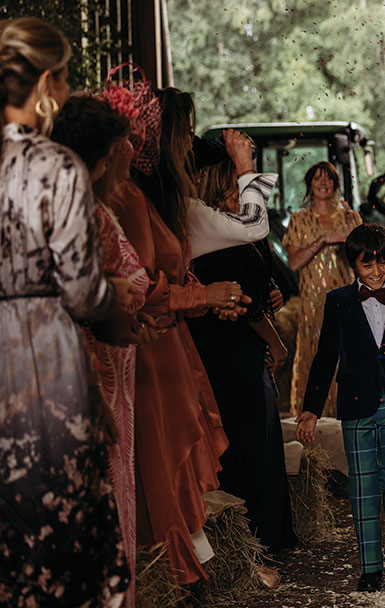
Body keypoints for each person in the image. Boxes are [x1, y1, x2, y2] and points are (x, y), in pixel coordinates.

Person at [0, 17, 131, 607]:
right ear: (49, 82)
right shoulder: (58, 168)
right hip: (42, 355)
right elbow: (81, 293)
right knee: (56, 511)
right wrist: (115, 295)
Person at [114, 87, 250, 585]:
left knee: (174, 464)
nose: (191, 141)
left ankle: (189, 574)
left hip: (171, 345)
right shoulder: (130, 197)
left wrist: (204, 292)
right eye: (187, 131)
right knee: (162, 463)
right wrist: (202, 296)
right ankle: (176, 576)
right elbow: (139, 287)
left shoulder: (164, 199)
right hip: (149, 350)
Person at [50, 94, 170, 605]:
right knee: (97, 504)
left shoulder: (96, 209)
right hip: (89, 375)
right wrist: (119, 303)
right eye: (123, 145)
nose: (131, 152)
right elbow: (76, 300)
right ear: (100, 157)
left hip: (114, 367)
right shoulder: (85, 217)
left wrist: (132, 318)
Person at [296, 223, 385, 593]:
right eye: (367, 265)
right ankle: (371, 568)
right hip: (356, 405)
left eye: (382, 263)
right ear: (353, 266)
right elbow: (325, 356)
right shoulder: (339, 301)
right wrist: (311, 408)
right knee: (363, 487)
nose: (376, 271)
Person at [189, 155, 296, 558]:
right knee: (247, 444)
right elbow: (244, 305)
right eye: (234, 189)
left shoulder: (244, 236)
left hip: (252, 347)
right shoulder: (215, 242)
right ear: (215, 192)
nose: (241, 196)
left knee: (265, 439)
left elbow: (260, 284)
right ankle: (252, 540)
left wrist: (275, 294)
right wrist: (277, 342)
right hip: (229, 348)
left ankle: (271, 534)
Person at [283, 161, 363, 416]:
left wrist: (352, 232)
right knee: (314, 354)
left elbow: (363, 261)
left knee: (346, 353)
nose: (323, 183)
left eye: (328, 178)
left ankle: (348, 415)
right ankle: (312, 418)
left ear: (336, 184)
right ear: (309, 185)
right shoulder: (298, 219)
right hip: (312, 301)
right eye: (317, 178)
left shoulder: (350, 217)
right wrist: (323, 240)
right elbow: (294, 262)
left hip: (346, 299)